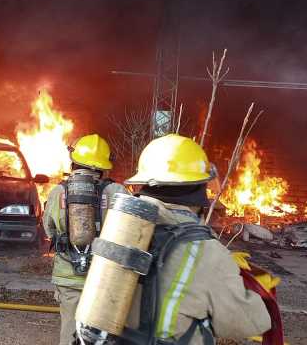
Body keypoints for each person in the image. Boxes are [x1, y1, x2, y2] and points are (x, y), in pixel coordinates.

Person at [114, 134, 272, 344]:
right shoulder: (206, 251)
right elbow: (249, 323)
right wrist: (256, 288)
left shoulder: (119, 227)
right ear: (197, 190)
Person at [43, 134, 128, 345]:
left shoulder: (58, 191)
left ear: (74, 162)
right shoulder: (117, 192)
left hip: (68, 275)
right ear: (104, 166)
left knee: (70, 331)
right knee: (103, 335)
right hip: (105, 277)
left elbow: (48, 228)